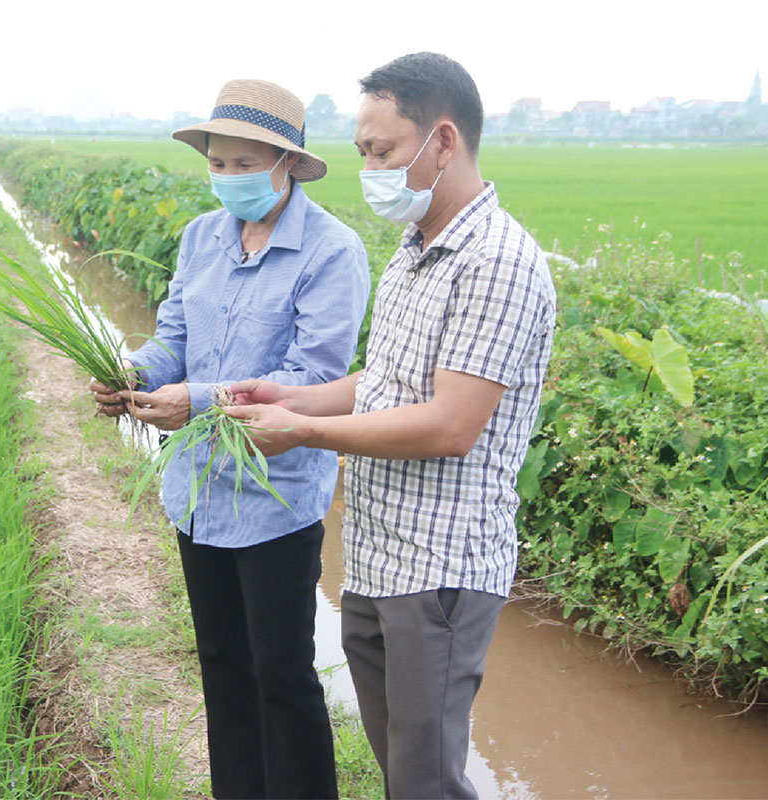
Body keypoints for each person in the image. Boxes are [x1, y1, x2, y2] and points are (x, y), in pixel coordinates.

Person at [224, 53, 557, 799]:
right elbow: (383, 385)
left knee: (425, 781)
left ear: (443, 141)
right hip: (381, 556)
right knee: (402, 770)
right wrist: (289, 397)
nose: (370, 168)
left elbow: (448, 425)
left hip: (439, 569)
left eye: (382, 151)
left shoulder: (497, 261)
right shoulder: (415, 252)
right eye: (363, 153)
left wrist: (300, 434)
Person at [90, 79, 370, 799]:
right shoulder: (201, 238)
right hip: (198, 491)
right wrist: (130, 374)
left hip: (275, 497)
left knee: (280, 671)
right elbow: (173, 339)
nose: (229, 178)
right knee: (220, 660)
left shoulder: (331, 253)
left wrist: (201, 401)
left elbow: (312, 375)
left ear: (286, 165)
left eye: (246, 164)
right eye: (219, 163)